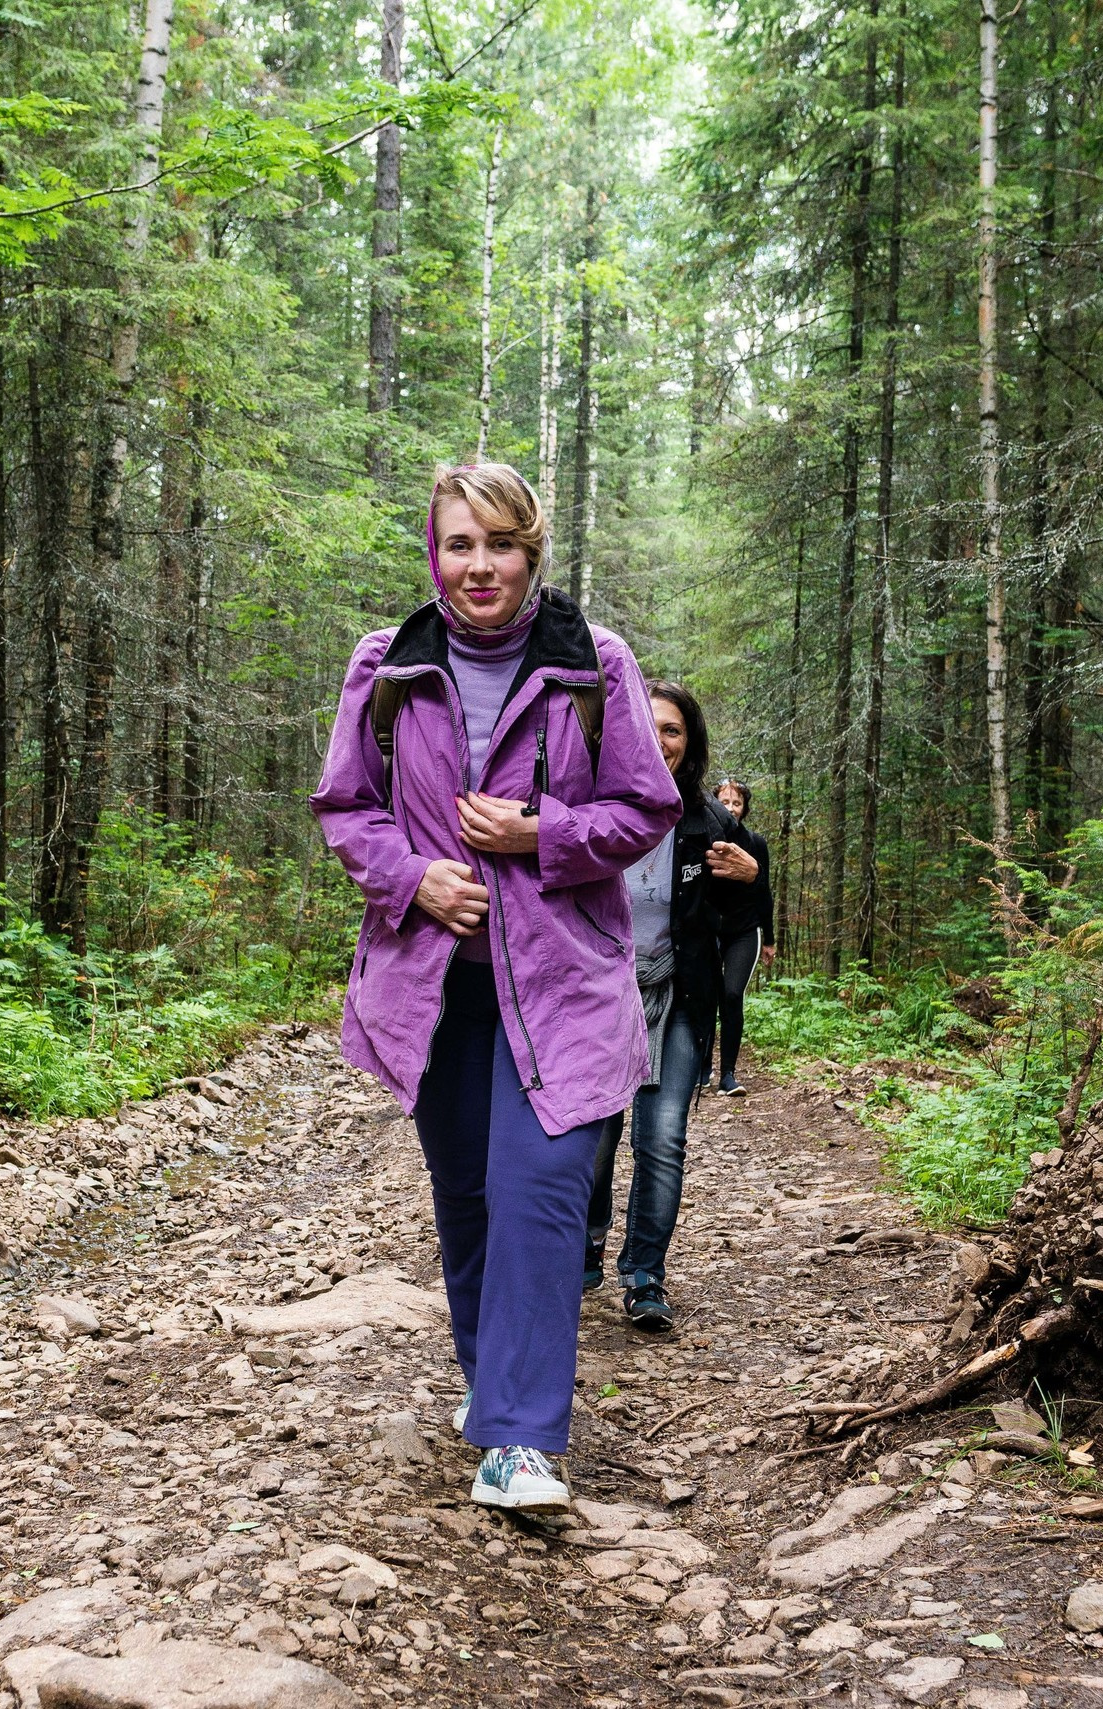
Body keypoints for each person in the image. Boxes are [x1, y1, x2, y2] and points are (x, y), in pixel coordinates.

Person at [311, 461, 680, 1511]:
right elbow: (345, 807)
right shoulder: (386, 665)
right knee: (468, 1201)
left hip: (562, 982)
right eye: (458, 543)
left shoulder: (592, 663)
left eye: (499, 544)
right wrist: (410, 876)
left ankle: (522, 1439)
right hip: (435, 990)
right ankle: (495, 1397)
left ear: (533, 552)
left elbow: (644, 808)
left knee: (540, 1191)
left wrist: (543, 832)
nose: (478, 565)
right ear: (433, 551)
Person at [585, 683, 761, 1333]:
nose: (659, 739)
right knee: (596, 1138)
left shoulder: (710, 822)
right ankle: (588, 1242)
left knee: (662, 1140)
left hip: (683, 997)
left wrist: (751, 880)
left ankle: (645, 1275)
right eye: (647, 724)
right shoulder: (592, 804)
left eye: (674, 730)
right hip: (601, 996)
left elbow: (750, 902)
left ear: (691, 745)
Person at [709, 778, 775, 1096]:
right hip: (708, 931)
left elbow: (765, 894)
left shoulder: (756, 843)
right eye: (725, 802)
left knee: (732, 995)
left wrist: (771, 939)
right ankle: (700, 1067)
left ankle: (728, 1076)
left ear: (745, 808)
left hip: (745, 932)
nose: (731, 808)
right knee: (705, 996)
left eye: (737, 803)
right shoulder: (704, 838)